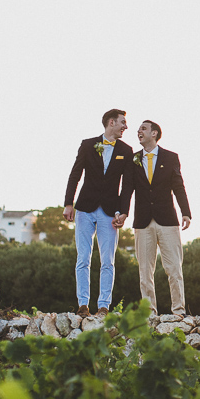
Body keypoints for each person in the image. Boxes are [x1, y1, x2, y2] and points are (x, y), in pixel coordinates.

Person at [64, 108, 133, 318]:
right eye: (122, 122)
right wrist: (68, 203)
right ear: (111, 122)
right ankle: (83, 304)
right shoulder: (87, 144)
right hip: (85, 208)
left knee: (108, 260)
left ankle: (104, 305)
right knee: (83, 258)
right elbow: (75, 175)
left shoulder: (127, 150)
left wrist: (124, 212)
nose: (126, 126)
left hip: (110, 212)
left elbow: (128, 185)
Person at [124, 119, 192, 317]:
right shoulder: (133, 159)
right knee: (145, 271)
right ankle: (150, 313)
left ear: (154, 133)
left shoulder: (171, 158)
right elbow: (127, 189)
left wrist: (186, 212)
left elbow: (179, 186)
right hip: (142, 222)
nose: (138, 131)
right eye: (138, 130)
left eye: (143, 129)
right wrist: (122, 212)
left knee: (174, 269)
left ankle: (178, 311)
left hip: (168, 221)